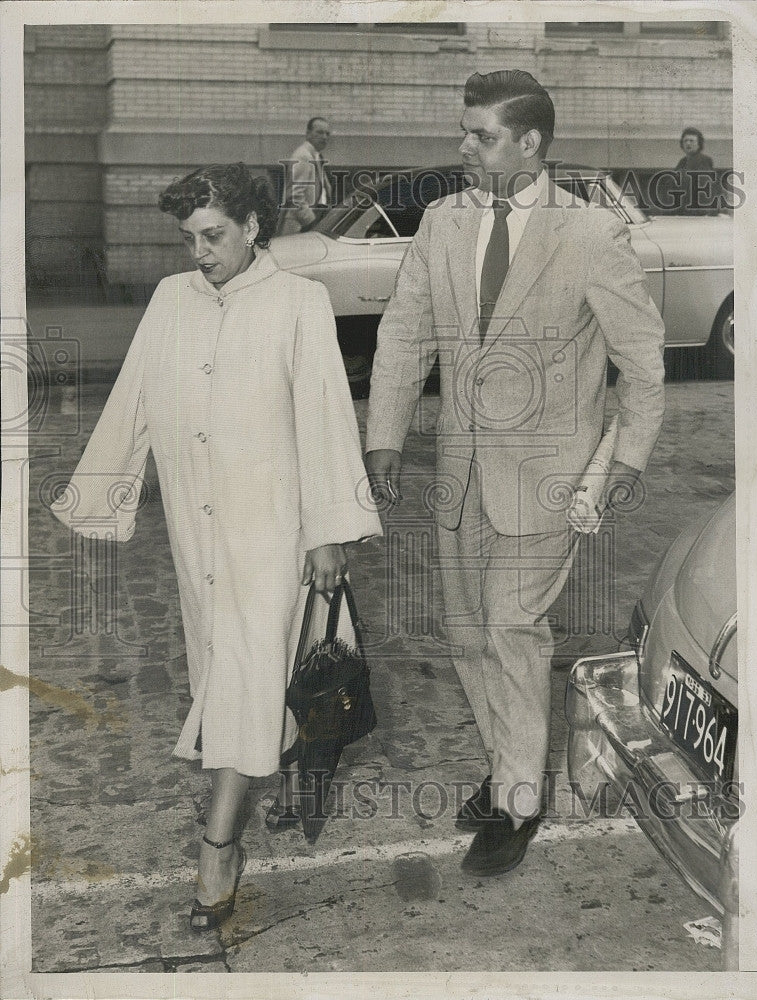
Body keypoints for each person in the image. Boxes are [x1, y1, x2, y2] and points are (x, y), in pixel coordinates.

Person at [51, 162, 381, 930]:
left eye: (212, 235)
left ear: (255, 227)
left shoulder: (300, 303)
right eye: (189, 238)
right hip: (198, 536)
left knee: (239, 681)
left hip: (275, 532)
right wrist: (103, 498)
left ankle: (217, 853)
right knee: (229, 673)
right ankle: (292, 747)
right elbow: (134, 394)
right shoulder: (172, 299)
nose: (197, 251)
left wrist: (329, 533)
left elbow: (327, 418)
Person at [365, 70, 665, 877]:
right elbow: (403, 332)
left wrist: (625, 461)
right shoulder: (441, 221)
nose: (464, 148)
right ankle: (509, 765)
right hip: (459, 472)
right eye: (464, 132)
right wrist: (383, 438)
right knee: (467, 633)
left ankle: (520, 803)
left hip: (548, 478)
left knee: (511, 628)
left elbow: (642, 364)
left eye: (482, 136)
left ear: (530, 143)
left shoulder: (592, 234)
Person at [281, 116, 333, 235]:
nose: (324, 137)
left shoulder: (315, 156)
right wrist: (310, 222)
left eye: (327, 133)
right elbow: (295, 194)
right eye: (319, 132)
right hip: (299, 226)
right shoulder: (302, 156)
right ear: (308, 134)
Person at [675, 127, 717, 215]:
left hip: (699, 211)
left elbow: (706, 188)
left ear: (699, 144)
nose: (688, 143)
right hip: (684, 210)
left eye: (691, 141)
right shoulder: (682, 162)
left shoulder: (705, 160)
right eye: (685, 140)